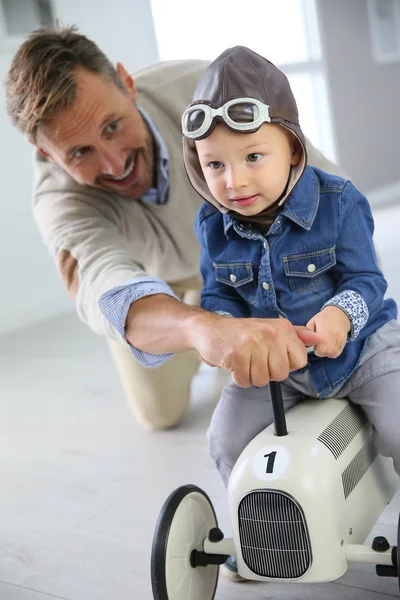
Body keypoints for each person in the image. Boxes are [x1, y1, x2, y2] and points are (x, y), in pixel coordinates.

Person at [6, 27, 339, 432]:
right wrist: (201, 328)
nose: (114, 165)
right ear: (46, 152)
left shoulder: (206, 95)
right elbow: (103, 285)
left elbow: (326, 192)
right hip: (155, 283)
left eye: (112, 126)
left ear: (128, 85)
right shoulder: (57, 198)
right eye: (80, 152)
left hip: (244, 250)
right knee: (159, 415)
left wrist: (348, 308)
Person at [182, 45, 400, 580]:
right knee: (225, 438)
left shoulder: (339, 201)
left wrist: (340, 317)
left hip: (360, 347)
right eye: (215, 164)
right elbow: (219, 300)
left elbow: (367, 281)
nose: (233, 181)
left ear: (294, 151)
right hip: (275, 366)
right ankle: (264, 536)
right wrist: (227, 335)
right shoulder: (213, 226)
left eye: (253, 157)